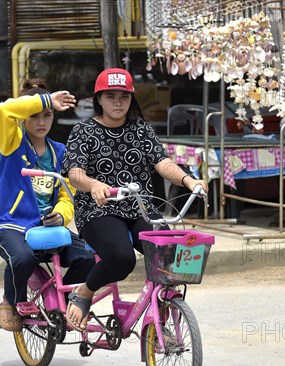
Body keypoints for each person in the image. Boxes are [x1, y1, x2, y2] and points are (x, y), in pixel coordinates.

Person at [62, 68, 208, 331]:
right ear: (99, 99)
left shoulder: (141, 129)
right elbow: (75, 173)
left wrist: (189, 181)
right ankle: (84, 292)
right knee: (121, 258)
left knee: (171, 257)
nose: (118, 102)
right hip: (99, 209)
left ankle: (163, 312)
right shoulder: (83, 130)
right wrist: (95, 185)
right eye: (111, 96)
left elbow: (162, 163)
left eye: (124, 97)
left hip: (140, 207)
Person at [0, 78, 95, 331]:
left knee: (88, 257)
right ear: (24, 117)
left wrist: (60, 216)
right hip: (11, 225)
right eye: (34, 115)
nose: (41, 122)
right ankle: (11, 301)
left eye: (47, 115)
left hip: (46, 228)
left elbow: (66, 197)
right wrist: (48, 99)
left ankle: (67, 303)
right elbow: (5, 110)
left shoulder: (60, 151)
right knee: (23, 259)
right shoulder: (12, 143)